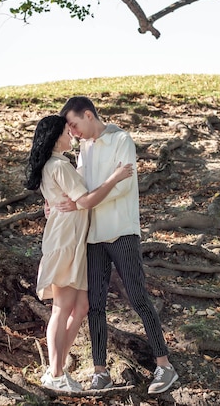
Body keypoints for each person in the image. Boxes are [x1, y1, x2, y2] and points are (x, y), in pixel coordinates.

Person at [57, 96, 179, 394]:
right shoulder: (84, 148)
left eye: (74, 124)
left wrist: (85, 199)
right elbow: (80, 188)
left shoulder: (122, 139)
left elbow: (122, 185)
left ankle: (164, 366)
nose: (72, 132)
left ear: (88, 115)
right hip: (92, 236)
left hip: (122, 232)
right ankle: (100, 371)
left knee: (138, 297)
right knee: (95, 305)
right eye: (69, 128)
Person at [25, 114, 133, 392]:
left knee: (81, 307)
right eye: (65, 131)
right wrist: (115, 178)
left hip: (76, 241)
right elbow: (84, 200)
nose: (70, 135)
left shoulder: (59, 164)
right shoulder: (58, 165)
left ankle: (57, 368)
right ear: (55, 137)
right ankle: (56, 374)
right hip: (65, 241)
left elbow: (65, 200)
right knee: (61, 309)